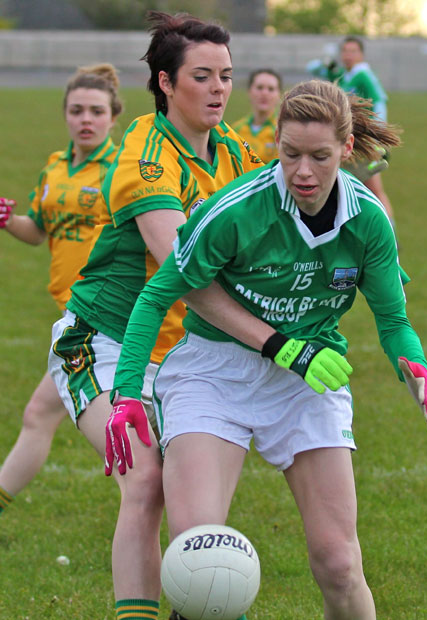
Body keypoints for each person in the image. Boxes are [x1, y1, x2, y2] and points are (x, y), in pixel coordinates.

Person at [107, 79, 427, 619]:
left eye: (319, 157)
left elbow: (393, 321)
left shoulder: (368, 221)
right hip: (212, 375)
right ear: (276, 146)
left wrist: (417, 369)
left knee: (338, 563)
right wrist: (125, 394)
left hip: (308, 380)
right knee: (198, 555)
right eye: (290, 155)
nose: (302, 172)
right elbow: (156, 297)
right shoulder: (235, 211)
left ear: (346, 150)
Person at [48, 11, 263, 620]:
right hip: (106, 342)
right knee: (144, 484)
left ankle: (201, 607)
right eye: (203, 75)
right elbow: (184, 271)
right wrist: (275, 342)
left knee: (199, 508)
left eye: (226, 74)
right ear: (166, 83)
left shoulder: (239, 151)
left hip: (187, 356)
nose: (220, 88)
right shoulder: (144, 150)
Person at [0, 63, 122, 517]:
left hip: (109, 320)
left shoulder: (123, 169)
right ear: (65, 115)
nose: (85, 119)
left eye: (95, 110)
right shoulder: (54, 167)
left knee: (112, 430)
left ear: (113, 116)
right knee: (39, 414)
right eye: (76, 110)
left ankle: (151, 491)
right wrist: (7, 219)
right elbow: (38, 231)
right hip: (75, 320)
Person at [307, 36, 396, 224]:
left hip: (363, 141)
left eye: (353, 51)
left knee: (373, 190)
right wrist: (327, 64)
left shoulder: (364, 75)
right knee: (351, 188)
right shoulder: (345, 75)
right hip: (347, 140)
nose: (349, 55)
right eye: (345, 51)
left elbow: (379, 102)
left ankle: (390, 233)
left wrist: (379, 137)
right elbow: (312, 68)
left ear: (361, 55)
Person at [232, 68, 282, 163]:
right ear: (249, 91)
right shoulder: (236, 130)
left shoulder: (282, 131)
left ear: (278, 94)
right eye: (259, 88)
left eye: (271, 89)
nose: (264, 93)